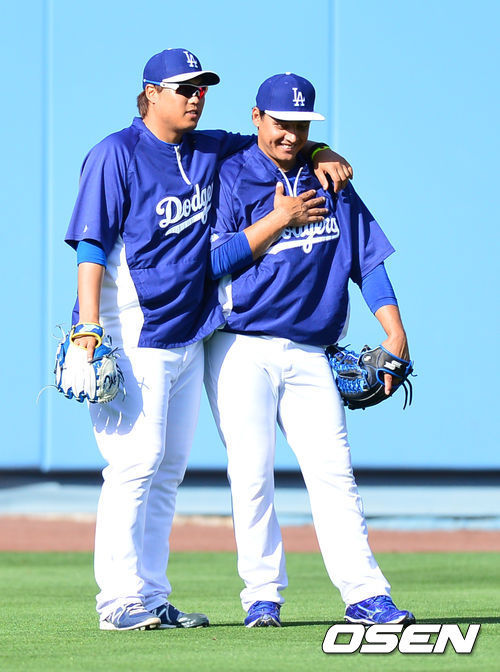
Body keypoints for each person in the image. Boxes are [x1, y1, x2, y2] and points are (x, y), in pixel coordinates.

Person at [64, 50, 352, 631]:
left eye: (201, 88)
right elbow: (91, 247)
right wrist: (87, 326)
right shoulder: (115, 153)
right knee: (134, 464)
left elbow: (278, 142)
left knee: (168, 470)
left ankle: (149, 595)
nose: (196, 97)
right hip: (131, 329)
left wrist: (322, 149)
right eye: (184, 88)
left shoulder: (209, 147)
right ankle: (116, 600)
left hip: (190, 333)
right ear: (151, 93)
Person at [204, 72, 416, 628]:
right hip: (241, 347)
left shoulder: (329, 178)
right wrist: (281, 218)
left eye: (300, 125)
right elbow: (213, 262)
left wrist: (394, 329)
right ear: (256, 118)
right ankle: (262, 597)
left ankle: (366, 594)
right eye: (280, 122)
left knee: (334, 473)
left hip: (311, 351)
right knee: (252, 475)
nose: (290, 134)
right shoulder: (230, 175)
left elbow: (367, 259)